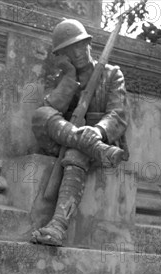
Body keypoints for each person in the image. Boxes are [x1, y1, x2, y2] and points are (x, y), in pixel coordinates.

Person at [30, 19, 128, 246]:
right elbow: (51, 111)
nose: (78, 52)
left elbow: (118, 115)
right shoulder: (61, 79)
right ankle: (94, 148)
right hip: (70, 141)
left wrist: (98, 131)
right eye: (70, 50)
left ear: (89, 45)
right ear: (63, 56)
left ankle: (57, 227)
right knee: (41, 115)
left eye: (81, 45)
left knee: (76, 153)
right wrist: (70, 78)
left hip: (97, 142)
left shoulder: (112, 74)